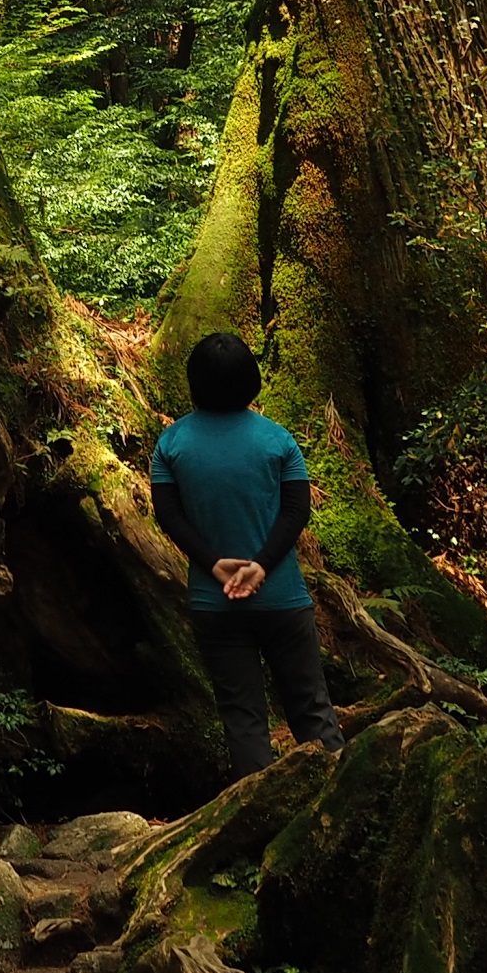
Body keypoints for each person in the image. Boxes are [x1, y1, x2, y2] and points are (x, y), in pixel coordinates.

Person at [148, 331, 345, 775]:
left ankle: (259, 821)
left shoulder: (171, 445)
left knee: (243, 718)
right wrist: (262, 566)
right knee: (312, 708)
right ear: (251, 382)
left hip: (213, 602)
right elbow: (297, 510)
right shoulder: (278, 441)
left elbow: (168, 514)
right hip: (282, 598)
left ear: (193, 382)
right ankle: (349, 805)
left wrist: (213, 564)